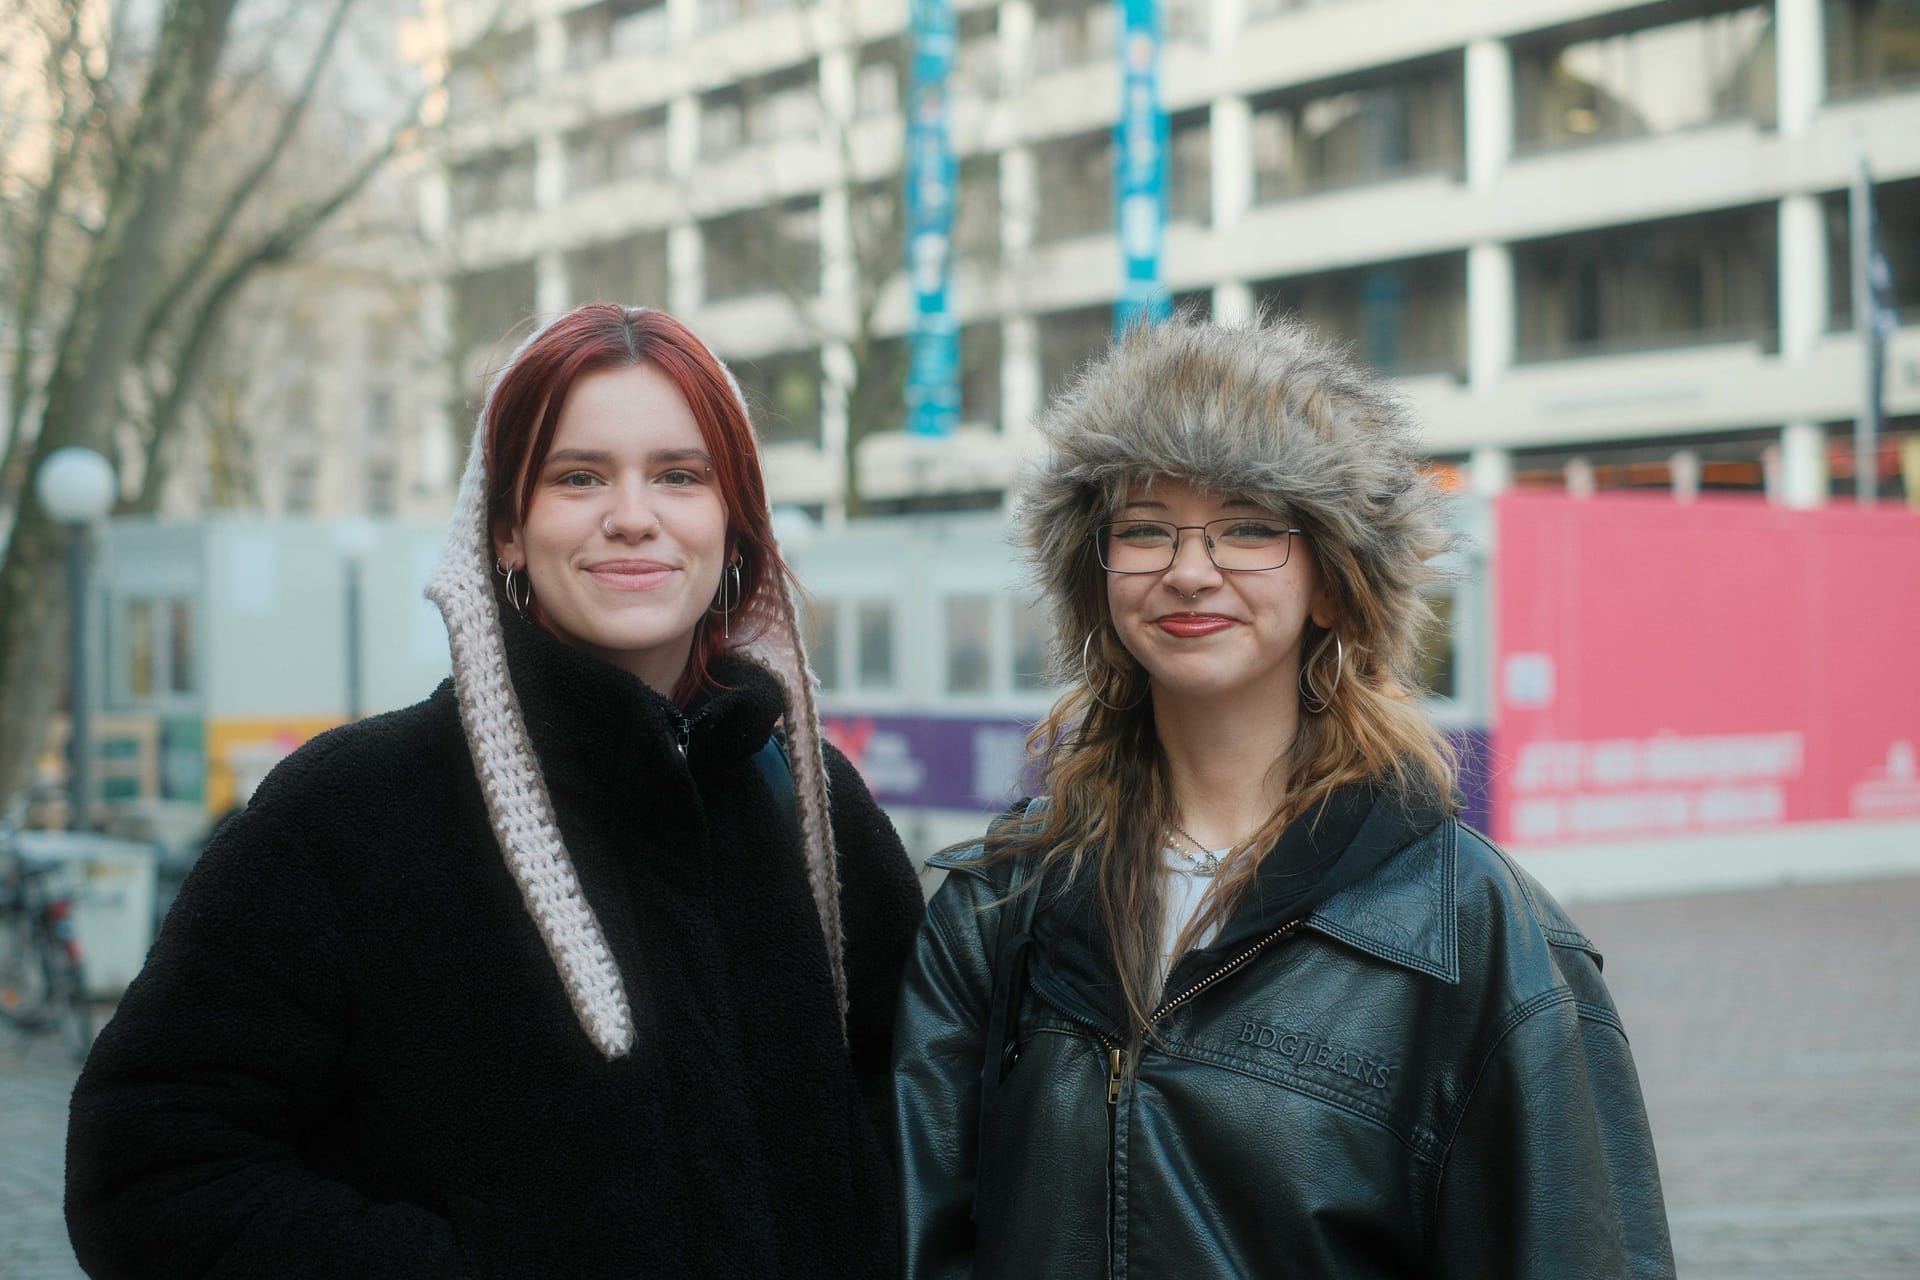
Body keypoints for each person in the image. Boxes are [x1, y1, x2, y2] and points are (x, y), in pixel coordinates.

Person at [66, 304, 924, 1278]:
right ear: (508, 532)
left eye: (680, 475)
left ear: (734, 529)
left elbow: (915, 1112)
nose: (632, 513)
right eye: (579, 476)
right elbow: (147, 1171)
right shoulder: (352, 812)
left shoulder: (816, 808)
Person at [891, 315, 1675, 1278]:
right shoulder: (999, 908)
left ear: (1335, 584)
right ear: (1096, 579)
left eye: (1248, 528)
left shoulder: (1477, 941)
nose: (1188, 568)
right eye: (1144, 530)